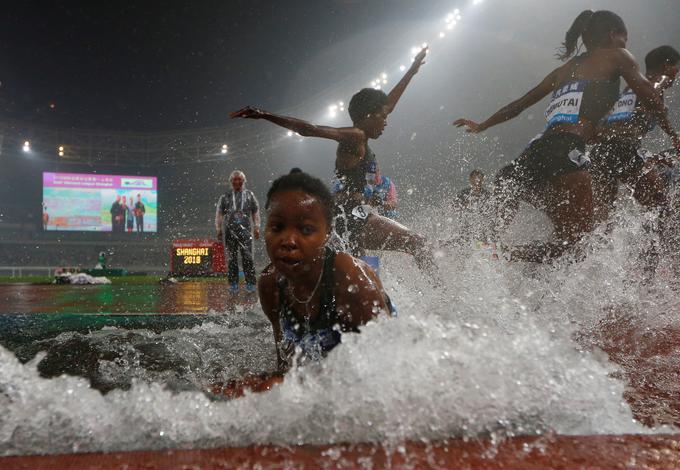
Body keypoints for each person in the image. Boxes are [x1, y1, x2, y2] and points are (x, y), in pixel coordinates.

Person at [454, 10, 674, 262]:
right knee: (578, 244)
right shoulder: (617, 56)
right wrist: (673, 134)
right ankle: (503, 254)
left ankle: (485, 253)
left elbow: (520, 104)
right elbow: (649, 94)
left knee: (565, 236)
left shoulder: (564, 70)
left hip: (534, 152)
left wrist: (482, 125)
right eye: (625, 39)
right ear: (613, 35)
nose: (627, 45)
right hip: (564, 151)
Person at [230, 47, 439, 281]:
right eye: (383, 116)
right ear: (368, 116)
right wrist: (265, 114)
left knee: (357, 284)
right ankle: (443, 302)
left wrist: (411, 71)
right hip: (351, 218)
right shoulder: (356, 136)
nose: (386, 121)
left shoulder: (363, 136)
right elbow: (309, 129)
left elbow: (387, 104)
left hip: (348, 217)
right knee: (420, 243)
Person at [258, 170, 394, 370]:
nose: (288, 241)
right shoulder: (271, 284)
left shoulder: (351, 281)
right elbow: (285, 364)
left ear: (328, 233)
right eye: (277, 227)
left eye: (305, 229)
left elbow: (387, 371)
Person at [590, 45, 680, 223]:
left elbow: (607, 122)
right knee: (662, 210)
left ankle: (592, 250)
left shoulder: (628, 90)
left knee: (602, 220)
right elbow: (654, 94)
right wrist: (673, 135)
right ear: (666, 66)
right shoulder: (654, 82)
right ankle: (657, 251)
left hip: (601, 153)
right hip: (624, 150)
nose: (675, 76)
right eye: (675, 70)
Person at [215, 170, 261, 293]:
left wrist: (257, 226)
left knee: (248, 258)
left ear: (243, 181)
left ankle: (250, 283)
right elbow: (219, 213)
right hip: (230, 231)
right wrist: (218, 228)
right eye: (234, 179)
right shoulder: (225, 196)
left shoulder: (250, 195)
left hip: (245, 232)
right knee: (231, 259)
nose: (237, 181)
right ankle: (233, 284)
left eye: (239, 179)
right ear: (231, 181)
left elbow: (255, 211)